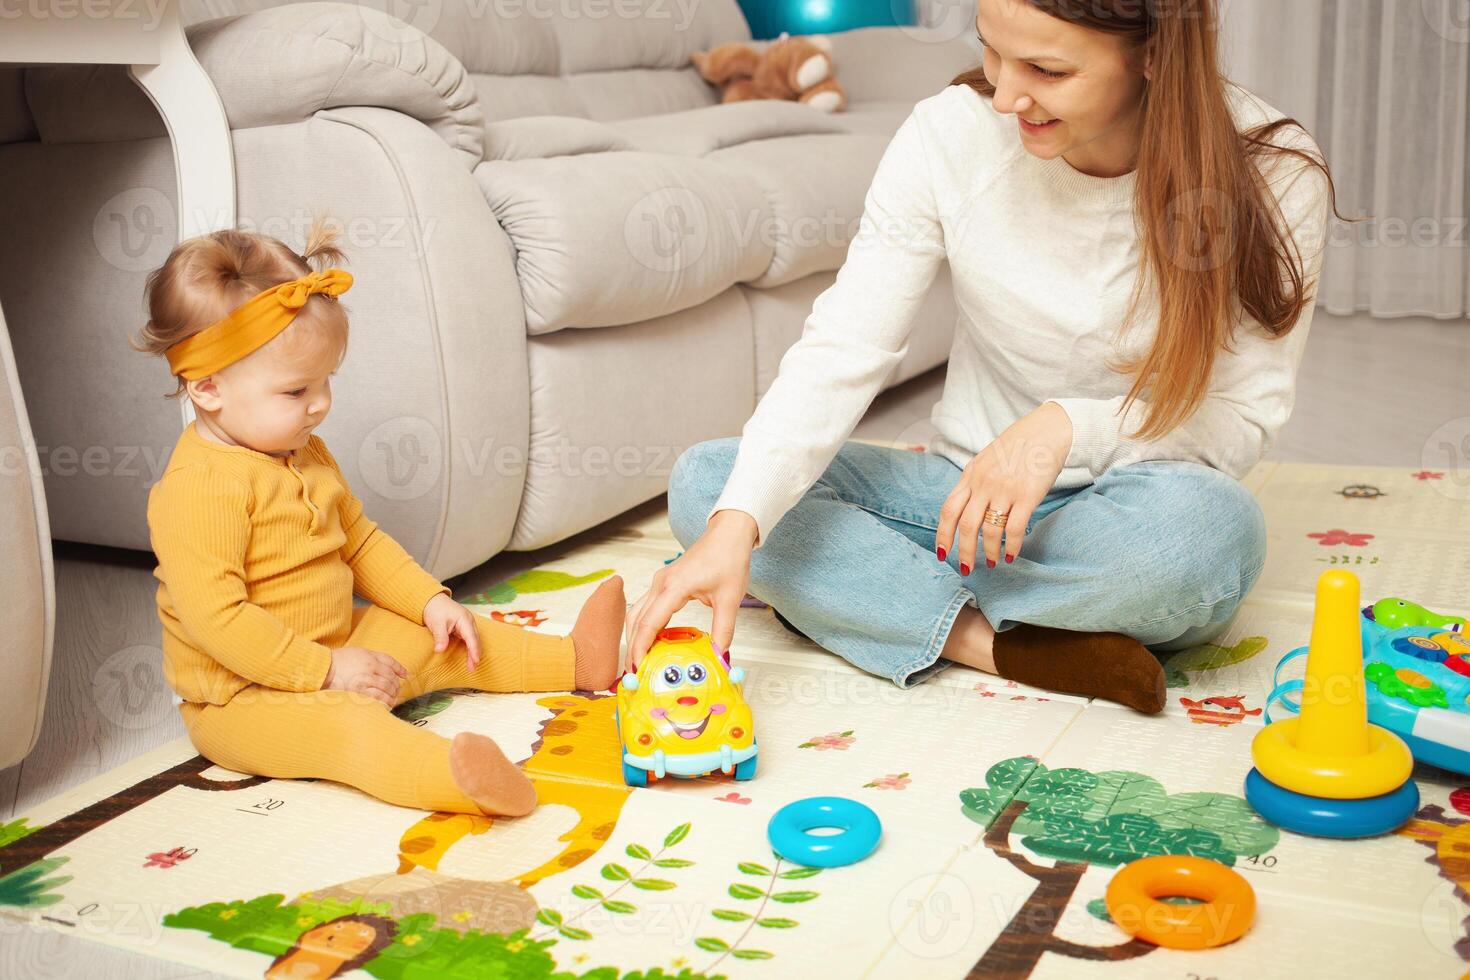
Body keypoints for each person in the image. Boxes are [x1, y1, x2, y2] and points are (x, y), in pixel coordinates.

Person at [626, 0, 1339, 713]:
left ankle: (869, 595)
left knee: (1212, 538)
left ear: (1156, 54)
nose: (1004, 96)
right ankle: (995, 642)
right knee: (712, 487)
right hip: (955, 505)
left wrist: (1065, 429)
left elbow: (1243, 420)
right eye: (993, 51)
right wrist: (738, 526)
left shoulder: (1272, 170)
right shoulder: (950, 133)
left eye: (1047, 69)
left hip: (1136, 501)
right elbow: (844, 342)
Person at [133, 220, 624, 816]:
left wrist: (427, 601)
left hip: (340, 638)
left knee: (445, 639)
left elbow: (358, 542)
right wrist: (325, 671)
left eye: (326, 381)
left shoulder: (301, 448)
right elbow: (220, 622)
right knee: (347, 729)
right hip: (244, 697)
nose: (320, 404)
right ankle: (454, 779)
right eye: (295, 392)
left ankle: (576, 659)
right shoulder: (199, 490)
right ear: (208, 389)